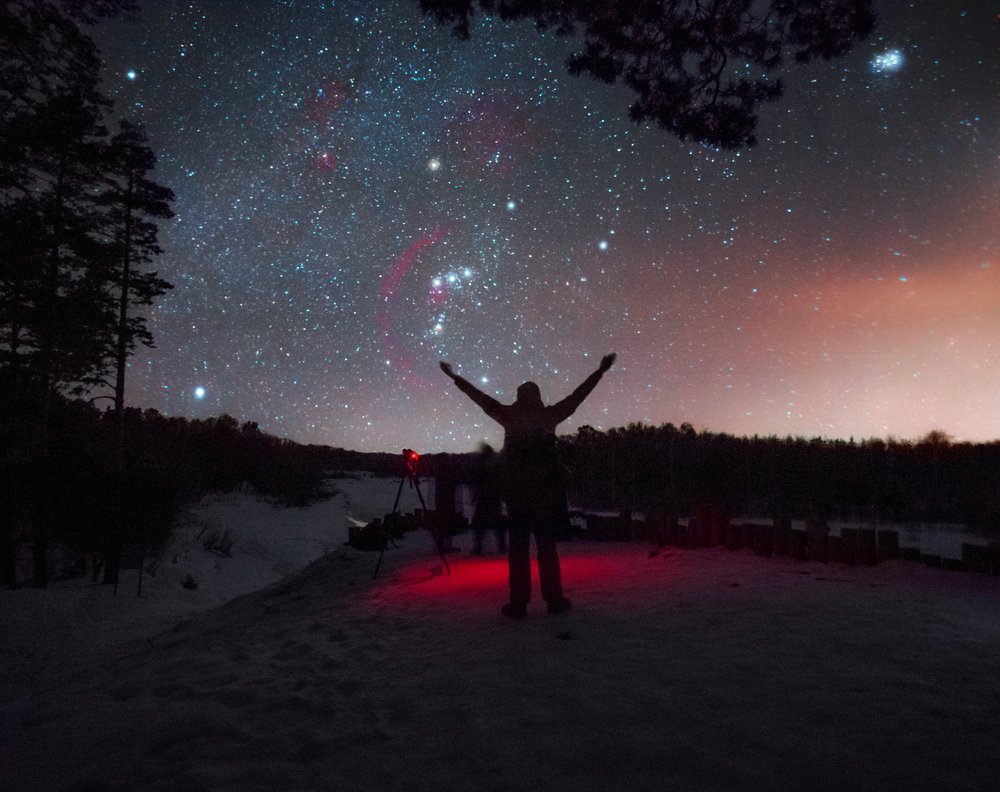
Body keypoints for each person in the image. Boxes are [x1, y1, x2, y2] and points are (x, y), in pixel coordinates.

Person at [440, 353, 617, 618]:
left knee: (518, 549)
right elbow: (578, 396)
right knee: (547, 547)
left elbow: (480, 399)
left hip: (517, 494)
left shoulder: (509, 415)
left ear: (520, 396)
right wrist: (599, 372)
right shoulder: (549, 416)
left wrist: (455, 378)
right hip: (545, 494)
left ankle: (519, 603)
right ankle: (554, 599)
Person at [469, 443, 506, 556]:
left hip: (484, 498)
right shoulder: (495, 466)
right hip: (493, 498)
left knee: (481, 525)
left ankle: (478, 547)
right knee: (497, 524)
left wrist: (475, 495)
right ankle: (501, 546)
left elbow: (476, 482)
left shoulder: (479, 465)